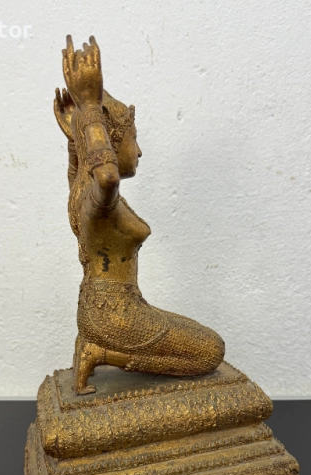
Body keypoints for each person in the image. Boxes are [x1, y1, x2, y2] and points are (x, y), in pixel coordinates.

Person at [55, 35, 225, 394]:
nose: (140, 151)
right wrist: (89, 110)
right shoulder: (100, 199)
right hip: (116, 316)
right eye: (134, 138)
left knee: (201, 337)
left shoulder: (81, 194)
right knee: (211, 352)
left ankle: (94, 346)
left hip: (108, 308)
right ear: (113, 144)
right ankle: (100, 353)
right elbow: (106, 176)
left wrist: (76, 134)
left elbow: (81, 168)